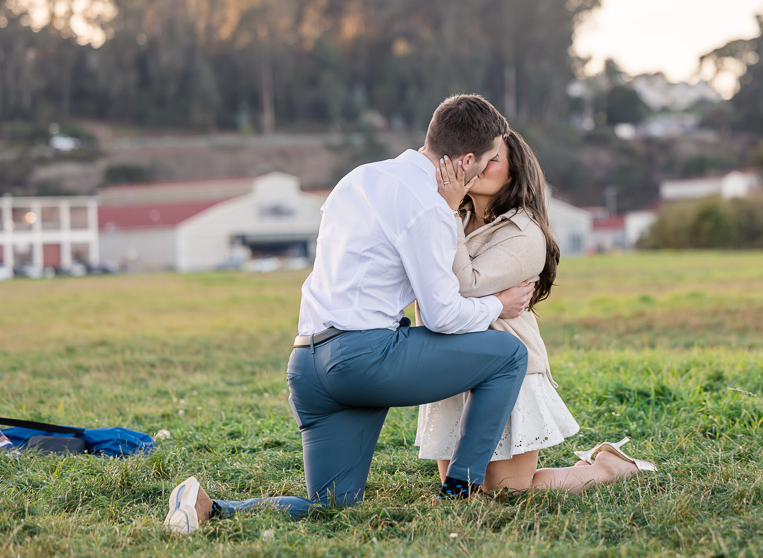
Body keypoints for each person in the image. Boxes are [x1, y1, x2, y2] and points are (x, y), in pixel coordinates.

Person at [164, 94, 536, 534]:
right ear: (468, 159)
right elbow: (440, 317)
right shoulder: (428, 207)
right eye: (490, 158)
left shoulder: (359, 177)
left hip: (307, 364)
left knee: (332, 507)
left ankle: (208, 507)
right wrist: (499, 304)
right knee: (509, 354)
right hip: (362, 359)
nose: (488, 167)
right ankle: (463, 490)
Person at [415, 131, 656, 493]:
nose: (480, 163)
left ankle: (608, 467)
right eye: (477, 155)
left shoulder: (524, 233)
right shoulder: (455, 215)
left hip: (507, 367)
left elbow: (463, 287)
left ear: (514, 173)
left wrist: (445, 211)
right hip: (451, 362)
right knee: (464, 489)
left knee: (508, 489)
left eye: (493, 158)